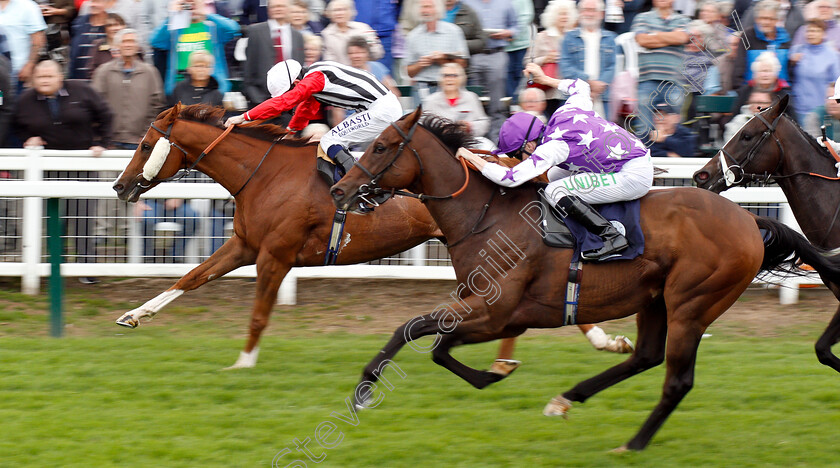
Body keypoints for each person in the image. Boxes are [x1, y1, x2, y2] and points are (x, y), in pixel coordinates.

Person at [458, 63, 653, 261]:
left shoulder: (552, 148)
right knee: (553, 175)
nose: (518, 160)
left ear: (530, 146)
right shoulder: (565, 111)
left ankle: (611, 236)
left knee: (554, 191)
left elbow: (510, 178)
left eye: (518, 155)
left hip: (633, 175)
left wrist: (473, 159)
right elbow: (581, 87)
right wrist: (545, 79)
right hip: (633, 157)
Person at [223, 59, 403, 198]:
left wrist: (244, 117)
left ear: (295, 83)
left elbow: (285, 102)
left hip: (381, 109)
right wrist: (290, 133)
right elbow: (306, 109)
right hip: (379, 107)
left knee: (329, 140)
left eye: (289, 90)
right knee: (334, 140)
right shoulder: (314, 76)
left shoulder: (315, 78)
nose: (290, 95)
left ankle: (360, 187)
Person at [13, 60, 113, 282]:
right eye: (40, 77)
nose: (45, 80)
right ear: (33, 79)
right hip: (48, 168)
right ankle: (57, 266)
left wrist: (102, 143)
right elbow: (15, 124)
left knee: (83, 217)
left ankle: (86, 268)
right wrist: (26, 139)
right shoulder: (25, 100)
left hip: (83, 167)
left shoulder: (82, 90)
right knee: (54, 219)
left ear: (60, 77)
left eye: (50, 76)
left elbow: (106, 115)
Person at [91, 28, 166, 150]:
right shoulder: (103, 71)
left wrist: (146, 134)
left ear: (138, 46)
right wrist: (101, 137)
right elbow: (95, 105)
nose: (128, 44)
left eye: (132, 41)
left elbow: (157, 105)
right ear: (117, 46)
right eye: (124, 41)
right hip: (110, 142)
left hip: (138, 142)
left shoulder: (150, 72)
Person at [150, 0, 240, 97]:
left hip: (211, 86)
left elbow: (233, 28)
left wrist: (206, 14)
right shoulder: (176, 30)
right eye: (187, 4)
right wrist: (172, 16)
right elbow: (155, 41)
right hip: (180, 86)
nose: (190, 7)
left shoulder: (213, 27)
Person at [631, 0, 691, 133]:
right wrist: (670, 36)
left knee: (673, 129)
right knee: (644, 127)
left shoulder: (683, 19)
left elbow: (681, 38)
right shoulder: (642, 17)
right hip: (647, 79)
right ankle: (643, 152)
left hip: (674, 81)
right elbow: (642, 40)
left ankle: (671, 153)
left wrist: (653, 35)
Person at [463, 0, 517, 138]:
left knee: (496, 103)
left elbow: (516, 27)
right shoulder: (467, 3)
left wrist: (507, 33)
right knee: (474, 98)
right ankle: (476, 137)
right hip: (474, 55)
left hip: (496, 53)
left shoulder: (505, 3)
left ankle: (496, 140)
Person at [560, 0, 617, 117]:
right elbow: (565, 67)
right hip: (574, 96)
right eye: (585, 10)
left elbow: (613, 66)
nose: (588, 14)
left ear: (601, 14)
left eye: (593, 10)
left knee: (602, 132)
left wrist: (598, 88)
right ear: (579, 13)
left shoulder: (610, 38)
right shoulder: (569, 37)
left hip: (601, 97)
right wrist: (589, 83)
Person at [242, 0, 305, 106]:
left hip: (289, 101)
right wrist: (255, 97)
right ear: (268, 10)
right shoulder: (255, 31)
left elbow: (299, 68)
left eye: (281, 6)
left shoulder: (297, 36)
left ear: (289, 9)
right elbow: (248, 68)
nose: (278, 9)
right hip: (261, 100)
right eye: (274, 6)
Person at [405, 0, 469, 95]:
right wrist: (420, 64)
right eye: (422, 7)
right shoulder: (412, 36)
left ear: (438, 9)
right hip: (422, 87)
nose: (425, 10)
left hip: (449, 86)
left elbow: (463, 63)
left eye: (429, 7)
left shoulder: (453, 31)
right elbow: (408, 72)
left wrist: (443, 59)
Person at [789, 19, 840, 125]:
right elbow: (788, 78)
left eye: (816, 31)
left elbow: (835, 85)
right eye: (809, 31)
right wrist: (791, 63)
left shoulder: (832, 56)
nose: (811, 34)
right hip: (799, 110)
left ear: (823, 33)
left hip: (821, 112)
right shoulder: (796, 51)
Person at [531, 0, 577, 115]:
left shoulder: (575, 37)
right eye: (561, 14)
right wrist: (545, 59)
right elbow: (528, 62)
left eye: (567, 13)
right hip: (548, 92)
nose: (564, 17)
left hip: (568, 92)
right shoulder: (542, 37)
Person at [423, 63, 490, 139]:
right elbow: (424, 127)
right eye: (445, 75)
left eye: (454, 75)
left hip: (468, 141)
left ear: (461, 79)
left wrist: (469, 126)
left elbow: (484, 123)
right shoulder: (431, 100)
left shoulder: (471, 97)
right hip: (440, 143)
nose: (449, 79)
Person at [733, 0, 793, 86]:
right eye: (763, 18)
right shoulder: (748, 36)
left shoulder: (785, 38)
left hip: (781, 94)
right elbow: (739, 69)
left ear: (777, 20)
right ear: (756, 19)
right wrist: (744, 92)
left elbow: (790, 71)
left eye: (771, 19)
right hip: (754, 93)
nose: (766, 22)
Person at [320, 0, 383, 66]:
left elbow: (377, 53)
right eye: (335, 10)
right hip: (340, 73)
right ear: (330, 14)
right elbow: (329, 60)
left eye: (343, 9)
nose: (339, 13)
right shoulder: (326, 34)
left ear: (350, 11)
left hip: (364, 71)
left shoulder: (364, 28)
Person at [0, 0, 47, 87]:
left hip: (18, 72)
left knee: (11, 100)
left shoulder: (28, 6)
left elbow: (38, 40)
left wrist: (30, 65)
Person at [68, 0, 108, 80]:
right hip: (78, 80)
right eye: (92, 1)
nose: (93, 5)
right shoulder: (79, 23)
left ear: (107, 4)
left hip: (101, 81)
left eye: (98, 2)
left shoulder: (110, 25)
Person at [505, 0, 533, 100]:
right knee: (506, 80)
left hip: (522, 45)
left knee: (522, 78)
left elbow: (527, 15)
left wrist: (513, 33)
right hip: (503, 47)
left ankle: (520, 104)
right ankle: (512, 107)